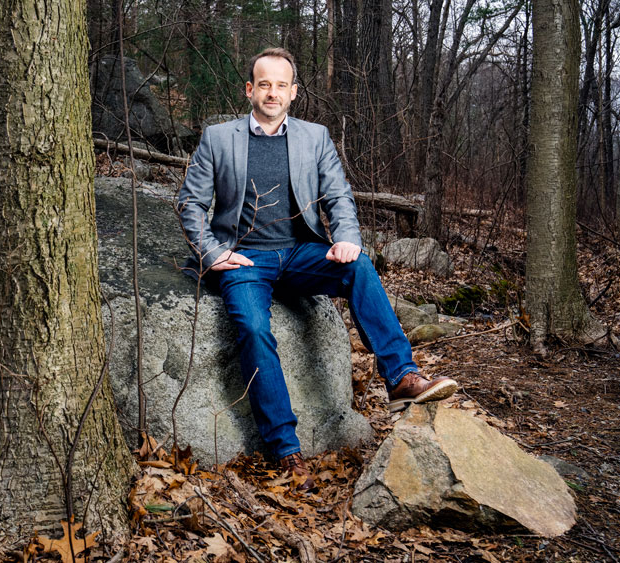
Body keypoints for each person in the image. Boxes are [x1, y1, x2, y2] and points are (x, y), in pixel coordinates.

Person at [177, 47, 458, 491]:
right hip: (243, 259)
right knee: (252, 327)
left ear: (293, 93)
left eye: (281, 85)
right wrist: (212, 253)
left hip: (299, 253)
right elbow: (190, 203)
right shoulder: (218, 137)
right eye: (264, 84)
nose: (272, 92)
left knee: (359, 267)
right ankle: (285, 450)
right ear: (250, 90)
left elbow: (339, 196)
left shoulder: (314, 137)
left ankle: (401, 376)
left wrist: (347, 237)